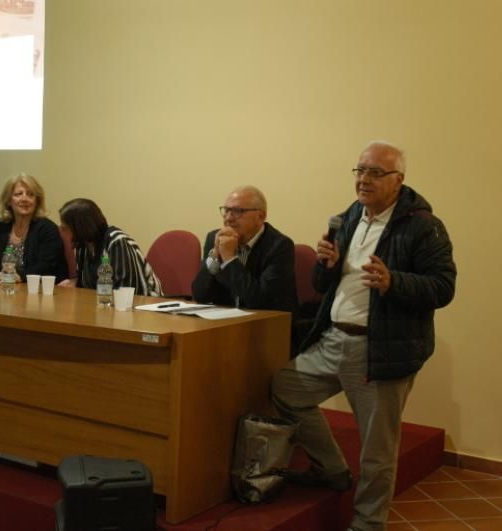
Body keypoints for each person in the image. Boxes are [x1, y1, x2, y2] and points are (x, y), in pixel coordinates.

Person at [272, 141, 456, 531]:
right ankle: (333, 469)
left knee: (377, 451)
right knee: (285, 389)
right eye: (359, 171)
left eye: (375, 172)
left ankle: (368, 524)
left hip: (380, 350)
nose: (363, 180)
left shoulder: (423, 226)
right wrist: (327, 264)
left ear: (398, 180)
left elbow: (443, 287)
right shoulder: (348, 218)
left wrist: (394, 282)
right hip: (333, 339)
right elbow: (324, 285)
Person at [191, 186, 297, 313]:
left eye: (237, 211)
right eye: (226, 210)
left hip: (266, 325)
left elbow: (260, 301)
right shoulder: (214, 238)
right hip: (224, 323)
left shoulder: (280, 246)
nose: (228, 218)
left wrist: (229, 259)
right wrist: (215, 255)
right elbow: (200, 295)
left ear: (260, 217)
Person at [0, 174, 68, 283]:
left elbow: (47, 266)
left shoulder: (47, 229)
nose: (24, 199)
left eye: (30, 195)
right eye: (18, 194)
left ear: (37, 201)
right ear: (8, 200)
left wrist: (18, 276)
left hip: (35, 293)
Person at [57, 198, 162, 295]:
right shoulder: (82, 246)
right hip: (103, 304)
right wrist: (73, 283)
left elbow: (126, 291)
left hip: (144, 306)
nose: (62, 232)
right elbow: (87, 285)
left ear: (80, 228)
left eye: (65, 228)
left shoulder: (117, 243)